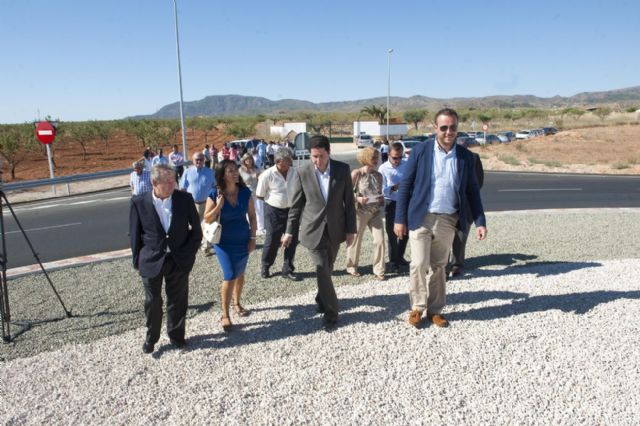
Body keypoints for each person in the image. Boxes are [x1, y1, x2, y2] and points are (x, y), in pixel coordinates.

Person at [394, 108, 487, 329]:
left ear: (457, 128)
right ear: (435, 128)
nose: (448, 132)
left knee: (439, 266)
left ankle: (435, 310)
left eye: (452, 127)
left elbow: (473, 192)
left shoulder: (466, 157)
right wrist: (399, 219)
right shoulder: (420, 151)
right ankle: (417, 307)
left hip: (447, 219)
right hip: (421, 217)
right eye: (443, 127)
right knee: (418, 264)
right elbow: (405, 186)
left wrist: (480, 221)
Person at [283, 135, 356, 331]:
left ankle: (321, 298)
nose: (317, 160)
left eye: (321, 156)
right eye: (313, 156)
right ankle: (331, 314)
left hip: (335, 230)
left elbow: (349, 203)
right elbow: (296, 206)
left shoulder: (342, 169)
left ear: (329, 152)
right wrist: (289, 232)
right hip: (312, 230)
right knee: (322, 269)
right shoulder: (302, 172)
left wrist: (351, 230)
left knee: (327, 270)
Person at [129, 164, 202, 354]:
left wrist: (189, 253)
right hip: (151, 260)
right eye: (167, 181)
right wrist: (137, 260)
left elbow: (196, 231)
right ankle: (151, 338)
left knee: (178, 300)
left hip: (178, 259)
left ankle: (177, 336)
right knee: (152, 302)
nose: (172, 184)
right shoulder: (139, 202)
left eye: (173, 180)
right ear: (154, 183)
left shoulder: (184, 199)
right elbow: (134, 234)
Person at [204, 160, 257, 331]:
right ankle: (225, 314)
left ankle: (237, 303)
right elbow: (207, 218)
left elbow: (252, 217)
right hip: (224, 242)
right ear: (222, 175)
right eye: (230, 171)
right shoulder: (215, 194)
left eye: (236, 170)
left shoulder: (245, 192)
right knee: (230, 274)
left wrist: (253, 238)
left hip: (243, 239)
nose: (235, 173)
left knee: (240, 273)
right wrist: (218, 206)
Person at [255, 147, 300, 281]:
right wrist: (275, 201)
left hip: (292, 211)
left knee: (292, 240)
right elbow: (259, 195)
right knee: (272, 240)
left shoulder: (295, 172)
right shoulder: (267, 175)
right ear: (278, 161)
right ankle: (266, 266)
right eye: (287, 160)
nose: (289, 163)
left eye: (290, 160)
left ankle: (288, 269)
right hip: (273, 211)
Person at [345, 147, 385, 280]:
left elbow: (379, 193)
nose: (376, 160)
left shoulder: (379, 175)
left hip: (375, 212)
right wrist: (358, 199)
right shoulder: (357, 174)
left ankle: (379, 270)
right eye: (373, 157)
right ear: (365, 158)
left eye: (377, 157)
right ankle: (352, 267)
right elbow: (346, 194)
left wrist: (381, 198)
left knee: (380, 240)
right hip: (360, 212)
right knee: (356, 240)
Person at [449, 138, 485, 278]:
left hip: (466, 205)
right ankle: (442, 265)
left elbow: (478, 181)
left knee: (460, 236)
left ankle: (457, 264)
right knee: (443, 236)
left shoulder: (473, 158)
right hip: (448, 205)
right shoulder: (447, 157)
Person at [378, 142, 409, 273]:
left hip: (405, 201)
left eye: (400, 157)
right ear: (388, 155)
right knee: (392, 233)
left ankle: (400, 257)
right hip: (390, 202)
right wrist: (393, 188)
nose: (398, 160)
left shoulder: (406, 165)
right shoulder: (383, 169)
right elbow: (381, 190)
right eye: (395, 157)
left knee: (405, 232)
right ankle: (393, 261)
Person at [180, 152, 216, 255]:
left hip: (207, 203)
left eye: (201, 159)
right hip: (192, 204)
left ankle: (206, 247)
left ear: (204, 160)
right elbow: (182, 188)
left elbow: (215, 186)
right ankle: (194, 244)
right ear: (193, 161)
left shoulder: (210, 172)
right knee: (194, 226)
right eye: (197, 159)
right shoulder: (187, 172)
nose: (199, 161)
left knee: (207, 225)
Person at [239, 153, 265, 235]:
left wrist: (260, 175)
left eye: (250, 158)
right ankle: (250, 227)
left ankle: (260, 228)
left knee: (259, 209)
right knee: (249, 210)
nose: (248, 160)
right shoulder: (241, 170)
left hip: (257, 190)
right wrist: (254, 176)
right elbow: (244, 180)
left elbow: (262, 176)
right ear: (244, 160)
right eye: (246, 159)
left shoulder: (256, 168)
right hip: (247, 192)